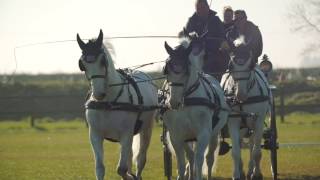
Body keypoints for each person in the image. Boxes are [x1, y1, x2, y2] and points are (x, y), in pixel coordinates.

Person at [183, 0, 229, 81]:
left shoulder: (216, 20)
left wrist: (219, 42)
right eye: (198, 8)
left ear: (208, 7)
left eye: (203, 8)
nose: (201, 10)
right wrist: (193, 37)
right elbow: (185, 37)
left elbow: (223, 37)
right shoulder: (191, 21)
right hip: (196, 54)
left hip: (214, 54)